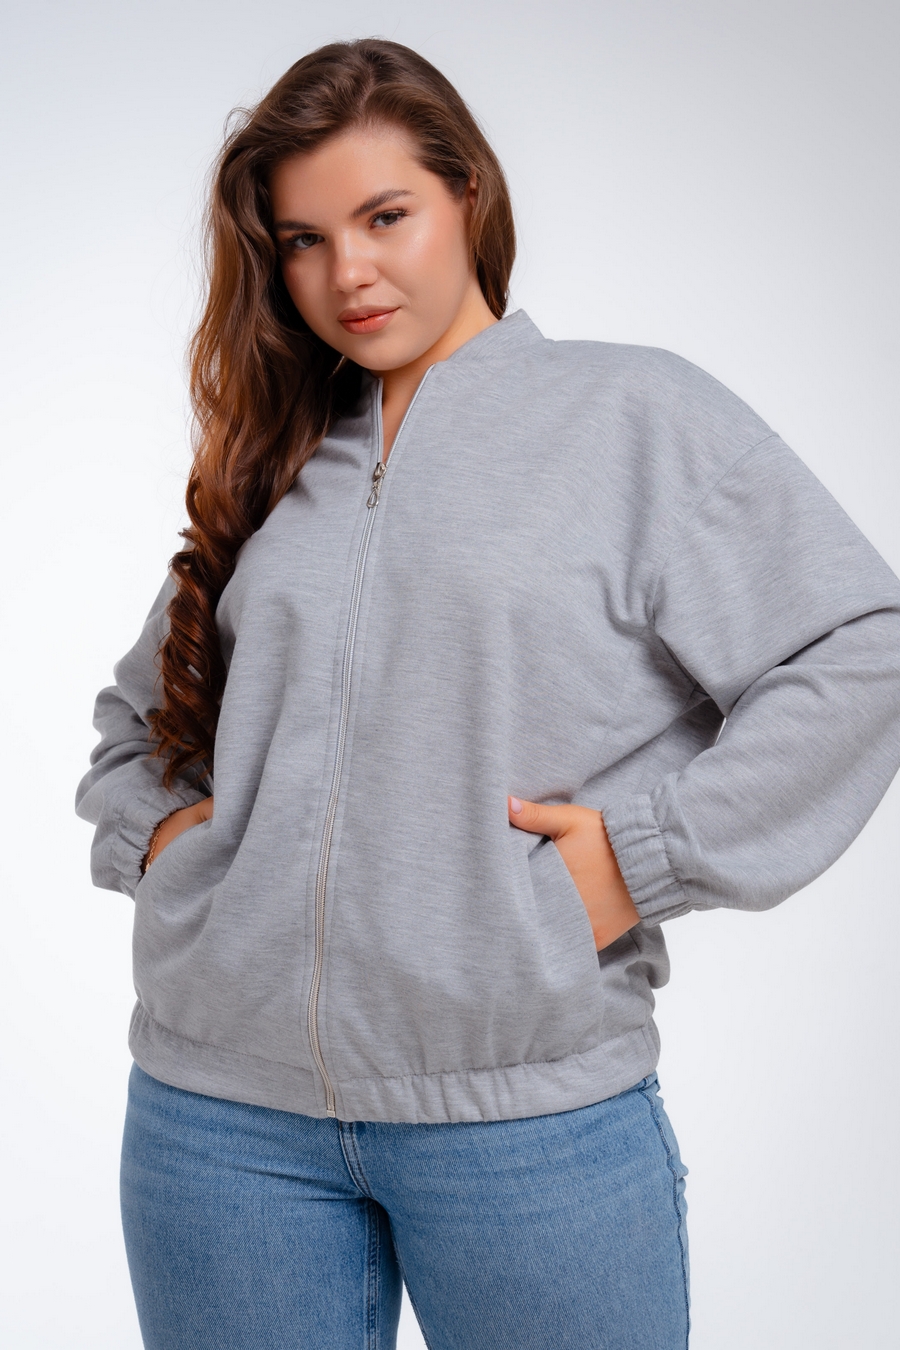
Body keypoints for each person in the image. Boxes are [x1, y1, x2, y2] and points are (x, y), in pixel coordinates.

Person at [75, 37, 900, 1350]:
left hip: (523, 1124)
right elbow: (143, 719)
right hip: (219, 1122)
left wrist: (643, 859)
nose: (348, 273)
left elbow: (860, 645)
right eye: (303, 241)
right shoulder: (280, 455)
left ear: (469, 194)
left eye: (385, 216)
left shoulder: (632, 416)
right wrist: (169, 842)